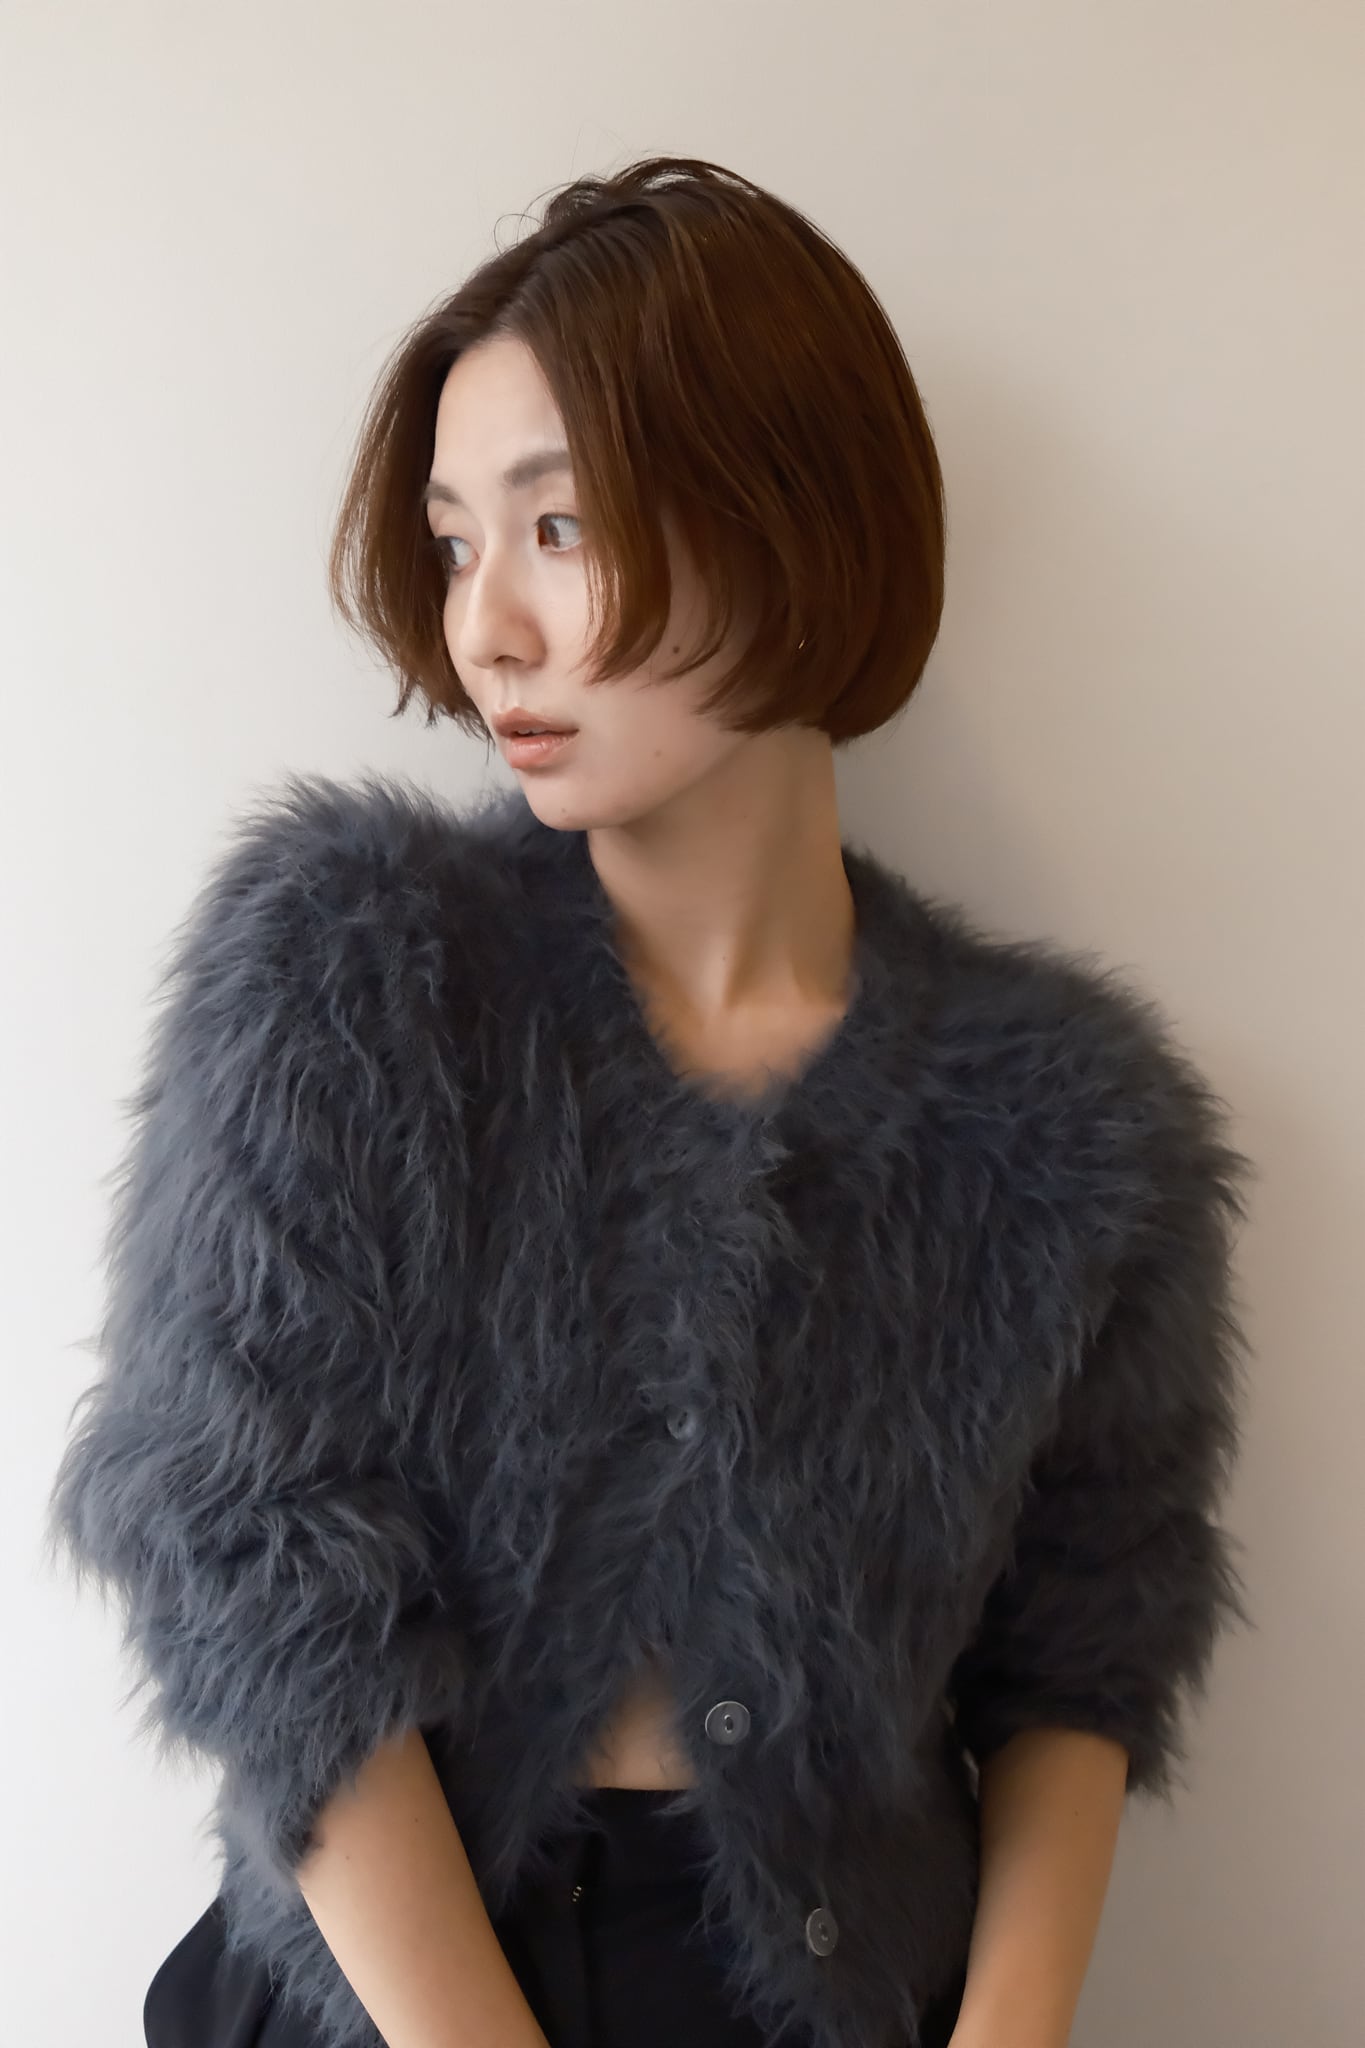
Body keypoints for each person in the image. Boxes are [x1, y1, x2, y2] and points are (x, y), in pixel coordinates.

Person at [46, 156, 1254, 2048]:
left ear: (793, 517)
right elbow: (248, 1556)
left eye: (561, 527)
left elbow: (1086, 1640)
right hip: (397, 1986)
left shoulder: (1073, 1129)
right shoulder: (358, 976)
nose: (488, 629)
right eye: (456, 543)